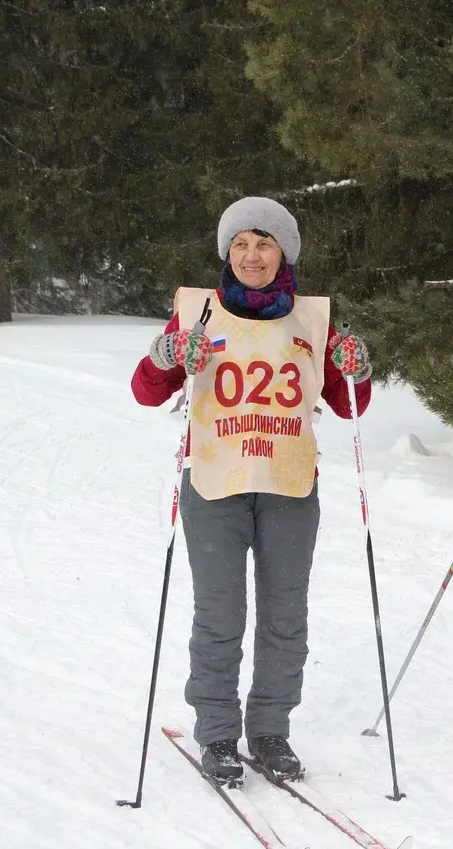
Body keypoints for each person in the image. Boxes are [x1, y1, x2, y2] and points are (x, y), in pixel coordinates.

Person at [131, 197, 372, 783]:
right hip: (215, 481)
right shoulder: (198, 312)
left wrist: (355, 367)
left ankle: (270, 731)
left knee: (285, 615)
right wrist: (167, 354)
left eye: (263, 243)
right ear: (226, 252)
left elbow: (349, 404)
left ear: (284, 252)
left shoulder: (311, 321)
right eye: (240, 244)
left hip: (289, 482)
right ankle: (216, 734)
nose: (251, 255)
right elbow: (146, 389)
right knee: (219, 613)